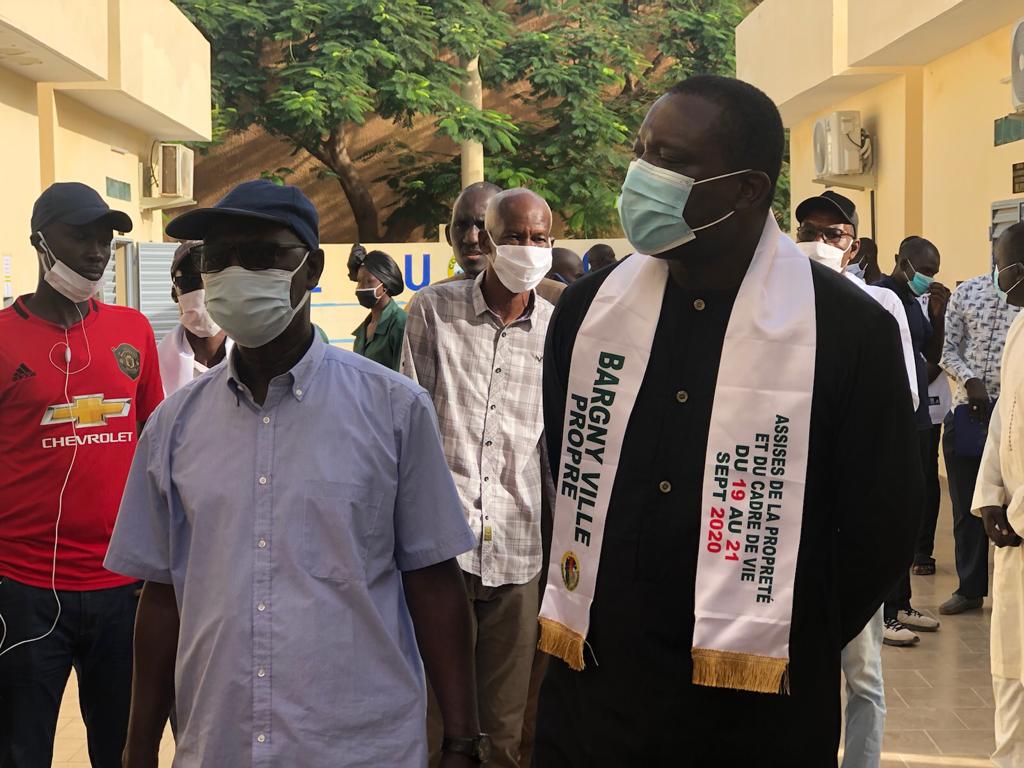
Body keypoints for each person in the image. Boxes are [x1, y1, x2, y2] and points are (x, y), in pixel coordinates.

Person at [534, 75, 922, 767]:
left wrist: (783, 624)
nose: (642, 177)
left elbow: (881, 526)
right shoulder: (589, 311)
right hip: (602, 691)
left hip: (755, 706)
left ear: (747, 189)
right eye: (642, 152)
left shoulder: (846, 329)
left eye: (674, 161)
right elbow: (564, 475)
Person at [105, 180, 487, 768]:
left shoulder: (393, 410)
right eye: (218, 259)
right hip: (220, 742)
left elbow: (433, 582)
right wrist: (137, 749)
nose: (234, 273)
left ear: (312, 269)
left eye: (260, 256)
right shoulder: (173, 426)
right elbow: (161, 596)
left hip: (358, 744)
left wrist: (461, 740)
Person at [0, 182, 164, 767]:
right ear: (39, 242)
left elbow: (154, 452)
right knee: (21, 751)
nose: (98, 249)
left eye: (106, 235)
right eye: (81, 234)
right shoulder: (2, 336)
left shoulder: (133, 332)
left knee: (123, 751)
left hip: (123, 587)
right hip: (23, 590)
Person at [402, 187, 556, 768]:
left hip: (520, 555)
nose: (527, 249)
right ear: (487, 240)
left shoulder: (557, 328)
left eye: (539, 238)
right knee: (436, 725)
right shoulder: (433, 311)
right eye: (514, 236)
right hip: (443, 551)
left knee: (504, 733)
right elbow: (409, 430)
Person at [795, 190, 918, 768]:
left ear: (855, 244)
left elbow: (896, 415)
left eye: (833, 233)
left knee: (862, 672)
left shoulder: (880, 308)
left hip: (846, 521)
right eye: (809, 231)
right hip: (785, 512)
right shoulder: (775, 304)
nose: (819, 243)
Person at [873, 236, 949, 644]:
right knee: (893, 513)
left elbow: (930, 354)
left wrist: (937, 315)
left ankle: (901, 602)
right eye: (924, 271)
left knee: (912, 509)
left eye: (934, 273)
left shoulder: (916, 302)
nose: (928, 279)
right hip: (895, 418)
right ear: (902, 262)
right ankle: (885, 613)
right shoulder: (884, 295)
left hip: (919, 419)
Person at [939, 239, 1021, 616]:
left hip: (1013, 414)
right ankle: (970, 588)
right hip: (969, 414)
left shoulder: (1019, 308)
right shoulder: (967, 293)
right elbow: (946, 348)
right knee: (969, 504)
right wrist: (969, 380)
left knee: (1012, 497)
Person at [970, 222, 1024, 768]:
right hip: (1013, 536)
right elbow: (1004, 421)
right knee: (1011, 668)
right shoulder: (1018, 327)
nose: (997, 277)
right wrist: (989, 494)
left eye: (1002, 266)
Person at [432, 182, 565, 306]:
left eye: (482, 225)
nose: (472, 238)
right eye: (461, 226)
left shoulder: (559, 299)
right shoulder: (433, 304)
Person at [157, 240, 232, 395]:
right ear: (174, 293)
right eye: (189, 280)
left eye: (211, 279)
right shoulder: (156, 363)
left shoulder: (256, 357)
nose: (202, 289)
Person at [353, 249, 407, 371]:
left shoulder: (400, 324)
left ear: (385, 284)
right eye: (359, 282)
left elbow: (403, 379)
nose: (361, 288)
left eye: (369, 281)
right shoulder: (362, 331)